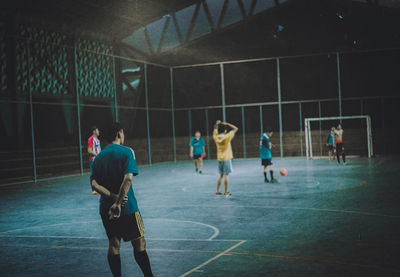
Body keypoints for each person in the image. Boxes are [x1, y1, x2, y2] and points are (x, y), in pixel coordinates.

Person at [90, 122, 154, 277]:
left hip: (106, 208)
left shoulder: (98, 158)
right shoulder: (127, 152)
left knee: (113, 244)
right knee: (139, 243)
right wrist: (118, 202)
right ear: (119, 133)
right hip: (127, 207)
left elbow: (94, 184)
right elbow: (128, 179)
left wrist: (112, 198)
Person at [213, 120, 238, 197]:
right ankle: (226, 192)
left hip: (219, 158)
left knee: (221, 175)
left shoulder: (216, 137)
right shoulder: (227, 137)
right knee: (226, 175)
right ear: (225, 131)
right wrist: (227, 123)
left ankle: (217, 191)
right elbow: (236, 128)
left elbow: (215, 130)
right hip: (226, 158)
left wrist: (217, 124)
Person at [88, 126, 101, 195]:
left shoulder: (98, 140)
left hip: (98, 160)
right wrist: (97, 155)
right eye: (97, 130)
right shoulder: (91, 139)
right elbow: (89, 150)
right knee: (93, 175)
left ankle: (99, 189)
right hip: (93, 160)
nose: (98, 131)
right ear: (94, 131)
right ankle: (94, 190)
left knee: (99, 174)